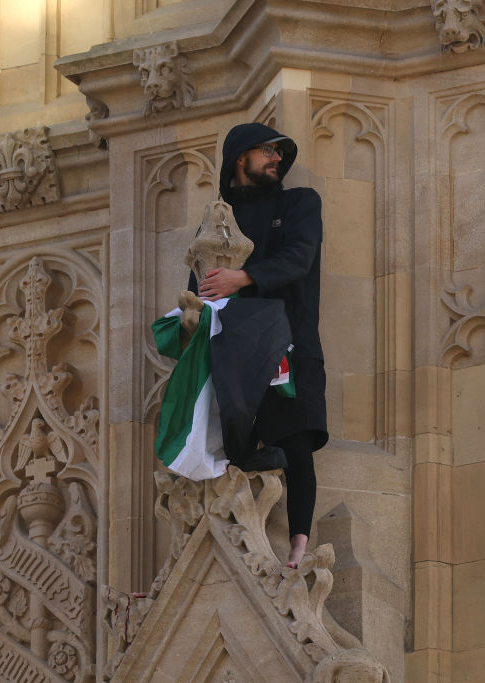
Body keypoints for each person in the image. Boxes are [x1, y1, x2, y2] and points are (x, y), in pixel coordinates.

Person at [192, 122, 327, 569]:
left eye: (278, 151)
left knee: (297, 445)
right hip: (234, 352)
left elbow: (299, 258)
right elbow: (199, 284)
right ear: (239, 158)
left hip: (289, 344)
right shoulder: (218, 218)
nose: (275, 157)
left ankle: (299, 546)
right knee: (230, 441)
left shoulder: (299, 203)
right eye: (265, 150)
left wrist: (243, 277)